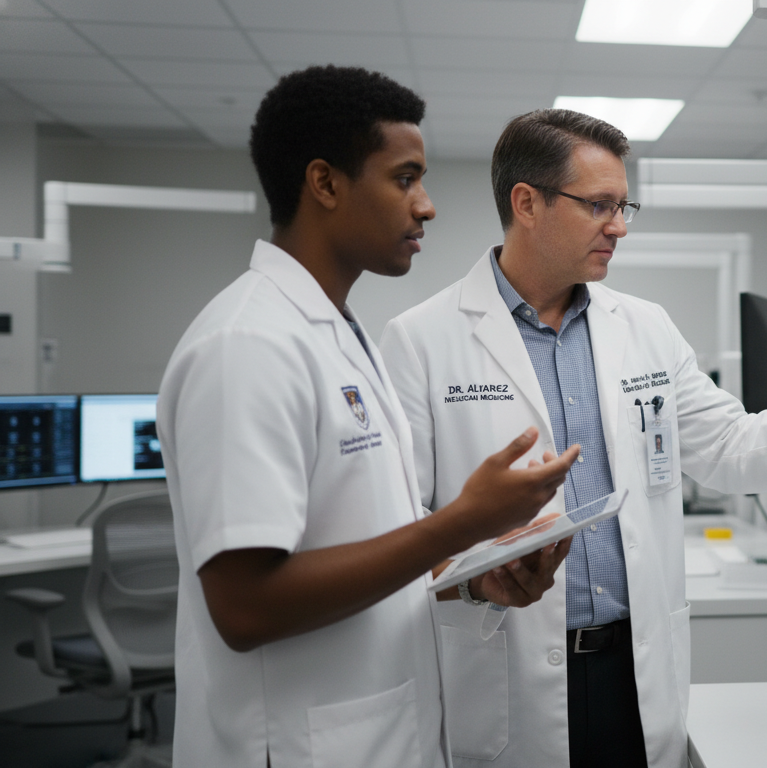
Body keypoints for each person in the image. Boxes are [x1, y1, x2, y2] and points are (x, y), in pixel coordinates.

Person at [379, 108, 767, 768]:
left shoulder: (646, 328)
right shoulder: (422, 340)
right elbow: (397, 537)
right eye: (599, 205)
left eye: (624, 204)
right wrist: (473, 574)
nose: (620, 226)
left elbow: (729, 446)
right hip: (504, 670)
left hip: (633, 673)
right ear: (527, 203)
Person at [157, 67, 576, 768]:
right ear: (325, 184)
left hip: (375, 735)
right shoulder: (247, 344)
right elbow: (245, 607)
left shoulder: (341, 335)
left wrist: (474, 573)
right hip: (293, 745)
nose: (427, 206)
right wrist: (462, 522)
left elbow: (366, 542)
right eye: (405, 178)